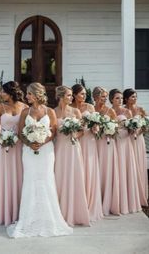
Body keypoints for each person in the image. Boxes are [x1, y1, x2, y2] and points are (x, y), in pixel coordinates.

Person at [7, 82, 73, 237]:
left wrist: (41, 142)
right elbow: (20, 132)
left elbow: (54, 132)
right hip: (29, 151)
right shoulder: (25, 112)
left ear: (37, 94)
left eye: (29, 94)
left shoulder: (49, 111)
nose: (27, 96)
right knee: (30, 181)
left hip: (46, 151)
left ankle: (48, 219)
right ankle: (28, 220)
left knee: (46, 180)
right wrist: (30, 143)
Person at [0, 81, 27, 226]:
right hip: (3, 147)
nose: (0, 94)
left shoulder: (24, 107)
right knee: (4, 176)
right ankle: (3, 211)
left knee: (19, 176)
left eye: (3, 92)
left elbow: (26, 127)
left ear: (10, 92)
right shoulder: (0, 107)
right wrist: (1, 140)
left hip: (19, 146)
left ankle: (19, 211)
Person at [54, 86, 90, 226]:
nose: (71, 98)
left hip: (74, 146)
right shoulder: (53, 111)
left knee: (74, 176)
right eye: (69, 95)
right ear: (61, 96)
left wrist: (75, 135)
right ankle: (60, 211)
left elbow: (82, 131)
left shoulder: (75, 111)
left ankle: (75, 211)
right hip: (60, 147)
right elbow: (52, 130)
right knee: (60, 176)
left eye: (71, 95)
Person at [71, 84, 103, 222]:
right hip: (76, 141)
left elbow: (97, 125)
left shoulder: (90, 108)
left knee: (89, 170)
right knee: (78, 172)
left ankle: (89, 205)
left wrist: (95, 126)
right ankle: (77, 205)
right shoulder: (70, 109)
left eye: (85, 94)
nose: (84, 96)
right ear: (74, 95)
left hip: (89, 141)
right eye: (82, 94)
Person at [109, 89, 141, 214]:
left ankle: (126, 201)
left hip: (125, 143)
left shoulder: (126, 112)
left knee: (124, 168)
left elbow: (133, 129)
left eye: (121, 98)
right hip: (113, 141)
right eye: (117, 98)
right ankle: (115, 199)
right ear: (111, 99)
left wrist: (132, 128)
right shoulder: (108, 111)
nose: (120, 100)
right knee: (115, 170)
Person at [93, 87, 120, 216]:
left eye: (105, 96)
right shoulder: (91, 109)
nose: (105, 99)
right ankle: (95, 201)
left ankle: (107, 201)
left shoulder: (110, 111)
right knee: (95, 170)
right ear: (95, 97)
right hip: (94, 143)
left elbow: (116, 130)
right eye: (103, 96)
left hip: (107, 144)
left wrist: (109, 129)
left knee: (106, 170)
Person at [123, 88, 148, 206]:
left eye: (135, 96)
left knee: (138, 164)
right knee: (128, 165)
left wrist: (139, 132)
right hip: (127, 141)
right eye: (132, 97)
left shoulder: (141, 110)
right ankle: (129, 193)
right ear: (126, 98)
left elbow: (146, 126)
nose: (135, 99)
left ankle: (139, 193)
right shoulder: (123, 110)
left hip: (138, 140)